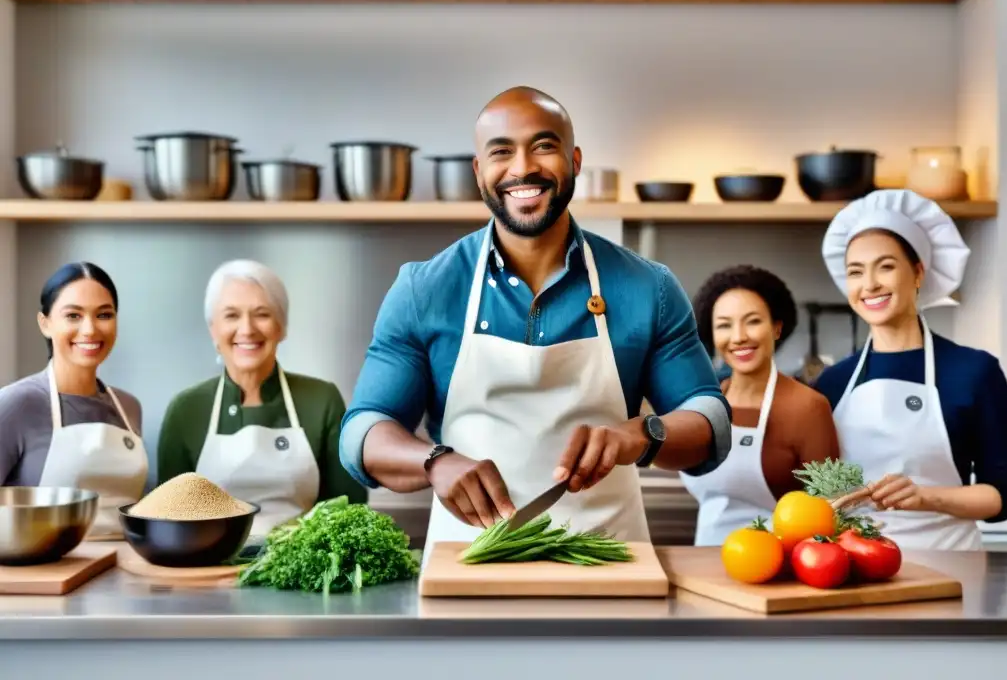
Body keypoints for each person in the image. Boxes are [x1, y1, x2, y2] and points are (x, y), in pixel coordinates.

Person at [340, 86, 731, 558]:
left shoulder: (648, 287)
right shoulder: (424, 289)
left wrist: (641, 434)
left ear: (575, 160)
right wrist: (433, 460)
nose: (523, 168)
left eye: (544, 147)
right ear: (479, 170)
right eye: (501, 151)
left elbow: (711, 421)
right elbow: (363, 431)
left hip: (609, 566)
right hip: (469, 566)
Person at [815, 188, 1007, 550]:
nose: (870, 284)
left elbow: (1004, 498)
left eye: (886, 266)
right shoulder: (832, 383)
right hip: (854, 568)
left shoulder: (974, 371)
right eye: (856, 272)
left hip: (952, 568)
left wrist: (926, 497)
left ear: (918, 272)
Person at [157, 259, 366, 537]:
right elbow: (168, 515)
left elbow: (348, 506)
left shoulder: (321, 400)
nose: (247, 329)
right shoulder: (187, 409)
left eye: (262, 314)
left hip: (300, 569)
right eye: (231, 315)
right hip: (207, 565)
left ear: (282, 326)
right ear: (213, 329)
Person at [684, 265, 840, 545]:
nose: (739, 336)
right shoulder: (704, 401)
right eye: (724, 325)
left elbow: (832, 507)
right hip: (705, 563)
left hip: (779, 569)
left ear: (777, 328)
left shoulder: (808, 408)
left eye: (752, 321)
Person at [0, 262, 145, 540]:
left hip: (124, 571)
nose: (90, 329)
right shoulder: (18, 404)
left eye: (104, 314)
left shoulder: (128, 407)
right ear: (45, 323)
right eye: (73, 316)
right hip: (45, 574)